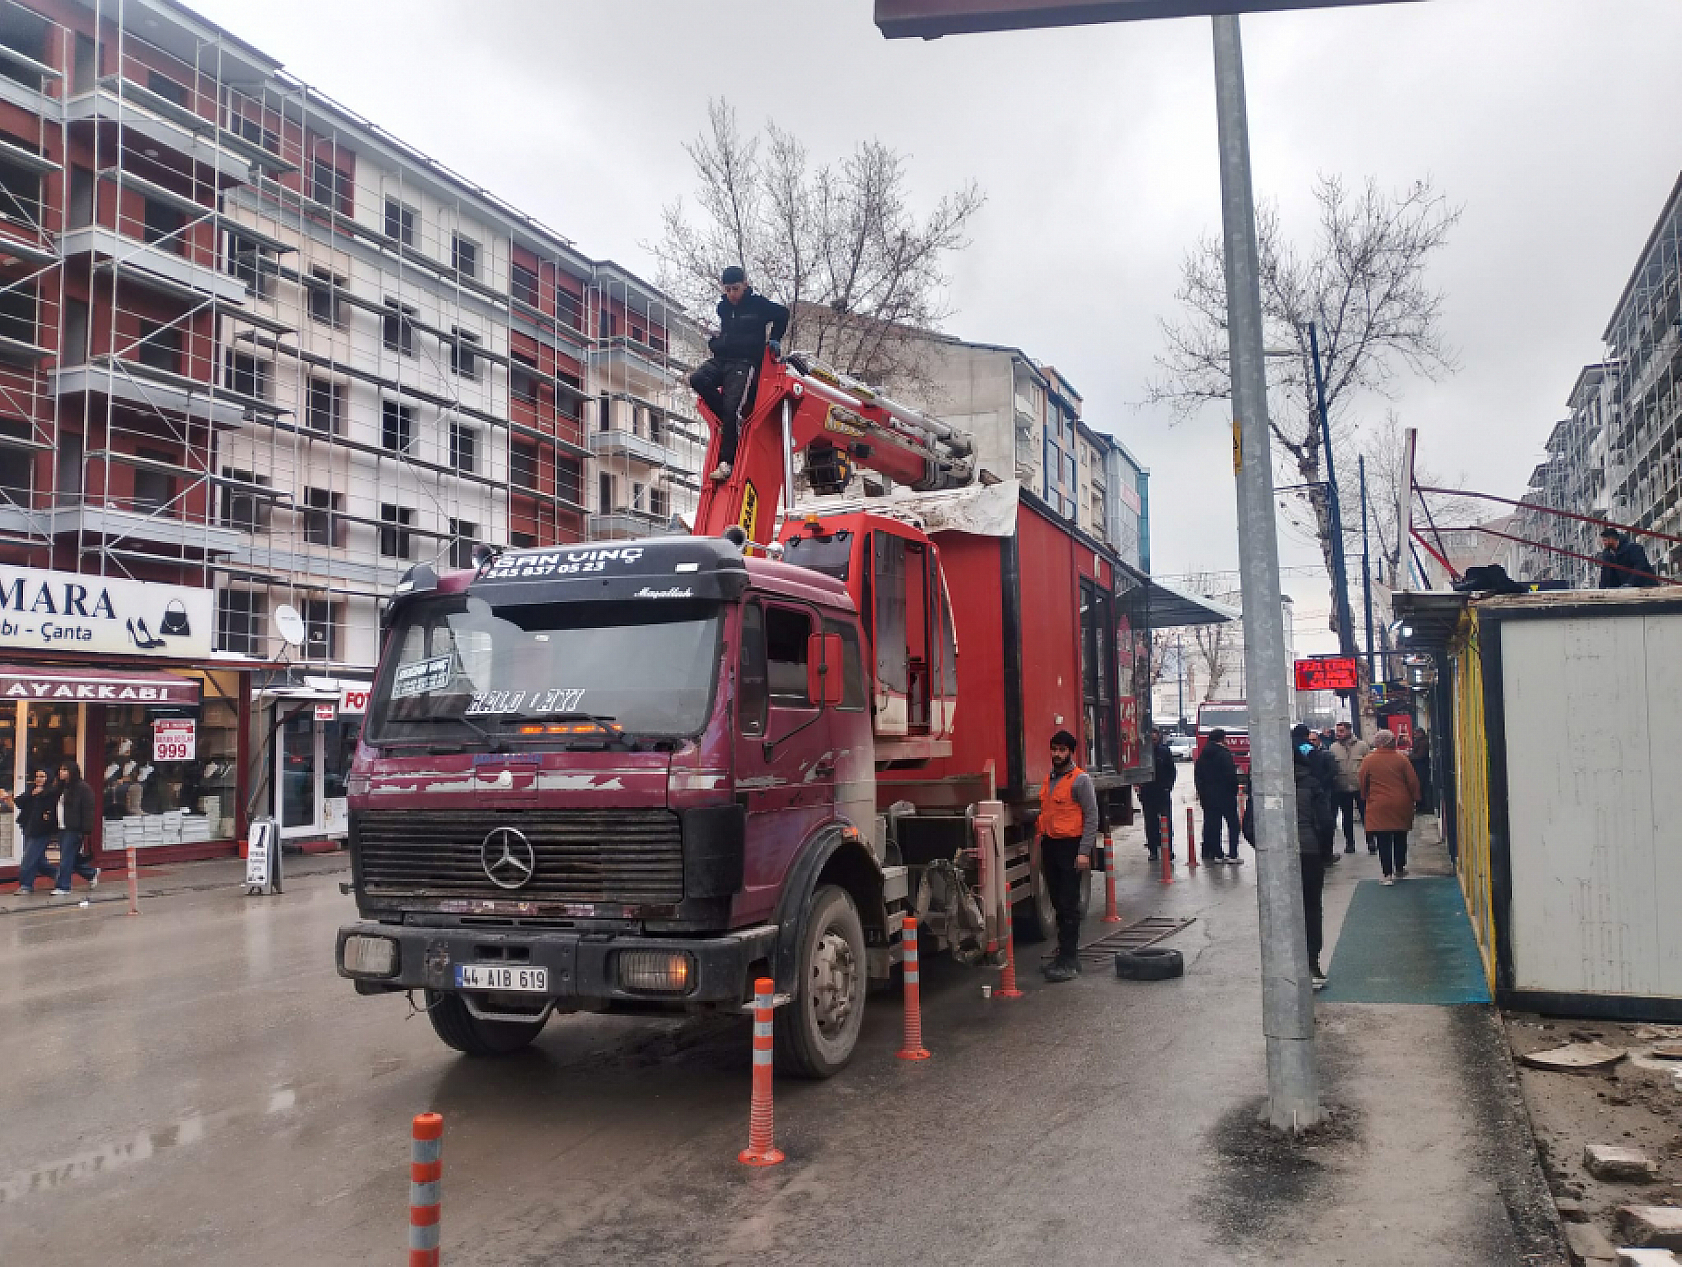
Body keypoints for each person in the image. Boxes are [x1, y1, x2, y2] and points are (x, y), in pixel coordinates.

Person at [687, 266, 790, 483]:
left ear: (745, 285)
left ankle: (727, 463)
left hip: (745, 362)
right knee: (698, 379)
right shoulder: (723, 308)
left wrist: (775, 339)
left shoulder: (758, 304)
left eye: (735, 289)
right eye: (728, 290)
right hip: (723, 359)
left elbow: (782, 314)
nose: (732, 294)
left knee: (732, 407)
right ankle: (729, 422)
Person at [1038, 729, 1098, 983]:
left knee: (1068, 904)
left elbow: (1092, 816)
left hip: (1070, 847)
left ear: (1071, 752)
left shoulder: (1080, 780)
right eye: (1054, 749)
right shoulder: (1049, 779)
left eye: (1062, 750)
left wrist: (1084, 852)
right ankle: (1063, 956)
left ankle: (1070, 961)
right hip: (1051, 846)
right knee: (1057, 903)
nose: (1057, 754)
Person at [1292, 733, 1332, 988]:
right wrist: (1322, 851)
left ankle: (1285, 966)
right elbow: (1326, 822)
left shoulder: (1263, 785)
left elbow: (1250, 825)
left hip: (1277, 858)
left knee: (1279, 909)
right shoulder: (1312, 784)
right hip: (1309, 854)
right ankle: (1311, 963)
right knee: (1311, 907)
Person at [1359, 730, 1420, 885]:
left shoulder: (1368, 760)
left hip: (1378, 804)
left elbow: (1363, 780)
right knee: (1400, 835)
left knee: (1383, 839)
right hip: (1401, 802)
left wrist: (1364, 796)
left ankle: (1387, 874)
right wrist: (1416, 798)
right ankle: (1400, 867)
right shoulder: (1402, 759)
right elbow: (1412, 781)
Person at [3, 768, 59, 895]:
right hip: (28, 827)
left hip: (42, 830)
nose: (39, 779)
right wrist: (31, 794)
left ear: (48, 778)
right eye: (37, 776)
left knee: (29, 858)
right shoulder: (32, 790)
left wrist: (41, 794)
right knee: (39, 860)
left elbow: (52, 811)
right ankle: (60, 875)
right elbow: (19, 802)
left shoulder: (51, 792)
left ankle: (26, 885)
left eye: (42, 776)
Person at [1193, 728, 1243, 865]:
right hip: (1225, 795)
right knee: (1233, 824)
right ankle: (1233, 854)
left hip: (1209, 796)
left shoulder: (1203, 754)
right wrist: (1233, 790)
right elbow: (1230, 775)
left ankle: (1218, 854)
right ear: (1221, 739)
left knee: (1214, 825)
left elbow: (1198, 775)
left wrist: (1202, 792)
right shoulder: (1224, 754)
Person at [50, 759, 99, 897]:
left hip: (74, 828)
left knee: (66, 858)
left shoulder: (83, 788)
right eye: (61, 769)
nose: (61, 772)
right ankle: (91, 873)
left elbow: (88, 810)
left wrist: (86, 830)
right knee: (70, 857)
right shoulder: (61, 787)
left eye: (65, 769)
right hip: (61, 827)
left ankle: (64, 886)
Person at [1295, 724, 1340, 867]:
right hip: (1313, 788)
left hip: (1296, 789)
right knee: (1322, 822)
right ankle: (1325, 855)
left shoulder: (1286, 746)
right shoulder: (1307, 748)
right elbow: (1318, 766)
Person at [1327, 721, 1371, 855]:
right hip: (1342, 787)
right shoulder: (1333, 747)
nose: (1338, 734)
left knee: (1366, 816)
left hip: (1359, 786)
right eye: (1337, 731)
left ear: (1349, 731)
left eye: (1341, 731)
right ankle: (1350, 844)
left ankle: (1371, 842)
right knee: (1347, 817)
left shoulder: (1362, 746)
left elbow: (1369, 765)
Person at [1140, 727, 1177, 862]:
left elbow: (1172, 770)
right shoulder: (1142, 752)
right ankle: (1153, 850)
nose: (1153, 741)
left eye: (1155, 739)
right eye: (1151, 739)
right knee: (1151, 824)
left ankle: (1169, 850)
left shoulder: (1164, 751)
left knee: (1166, 822)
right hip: (1148, 793)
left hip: (1162, 792)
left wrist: (1168, 786)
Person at [1410, 731, 1435, 815]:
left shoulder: (1423, 743)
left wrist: (1409, 756)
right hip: (1420, 767)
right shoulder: (1421, 741)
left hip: (1422, 768)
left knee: (1422, 786)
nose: (1415, 735)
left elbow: (1420, 756)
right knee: (1421, 786)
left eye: (1416, 733)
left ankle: (1423, 807)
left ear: (1421, 734)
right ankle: (1421, 806)